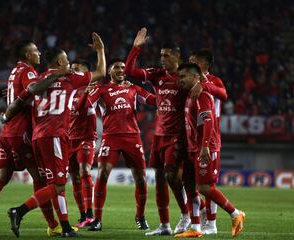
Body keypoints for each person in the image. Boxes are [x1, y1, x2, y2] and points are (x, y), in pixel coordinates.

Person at [6, 32, 106, 237]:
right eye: (67, 60)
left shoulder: (38, 79)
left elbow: (20, 99)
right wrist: (101, 50)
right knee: (59, 184)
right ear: (61, 61)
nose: (69, 63)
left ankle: (65, 227)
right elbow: (101, 72)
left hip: (37, 137)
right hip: (56, 135)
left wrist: (6, 117)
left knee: (54, 184)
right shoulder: (70, 77)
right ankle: (19, 210)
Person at [0, 41, 58, 237]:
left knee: (1, 176)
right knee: (40, 178)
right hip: (21, 132)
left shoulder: (14, 72)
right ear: (27, 55)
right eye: (35, 51)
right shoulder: (28, 71)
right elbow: (35, 89)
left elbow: (22, 93)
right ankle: (53, 226)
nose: (39, 53)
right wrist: (56, 77)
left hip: (7, 132)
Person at [124, 27, 191, 235]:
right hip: (159, 135)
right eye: (161, 55)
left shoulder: (186, 77)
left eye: (167, 55)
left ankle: (186, 214)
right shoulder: (157, 75)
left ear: (177, 57)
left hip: (177, 136)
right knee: (160, 178)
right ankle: (164, 225)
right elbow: (130, 72)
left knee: (172, 176)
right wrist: (136, 49)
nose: (162, 59)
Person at [80, 59, 156, 231]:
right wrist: (87, 91)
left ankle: (140, 216)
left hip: (132, 137)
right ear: (109, 71)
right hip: (110, 137)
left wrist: (167, 93)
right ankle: (97, 220)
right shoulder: (101, 89)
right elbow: (85, 106)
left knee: (141, 180)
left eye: (123, 67)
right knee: (102, 175)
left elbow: (152, 100)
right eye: (117, 67)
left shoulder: (133, 88)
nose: (121, 70)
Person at [175, 63, 245, 238]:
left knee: (205, 187)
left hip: (205, 148)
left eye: (183, 76)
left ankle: (236, 214)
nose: (180, 80)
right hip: (192, 148)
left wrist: (205, 145)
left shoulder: (203, 95)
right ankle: (196, 228)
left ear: (195, 77)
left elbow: (208, 121)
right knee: (189, 185)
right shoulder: (190, 95)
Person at [189, 49, 227, 235]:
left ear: (203, 64)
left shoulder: (215, 81)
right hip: (190, 139)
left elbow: (224, 95)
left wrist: (204, 85)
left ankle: (211, 223)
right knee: (187, 181)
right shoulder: (187, 80)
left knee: (207, 185)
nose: (189, 61)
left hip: (210, 139)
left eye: (193, 60)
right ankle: (201, 213)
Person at [68, 59, 96, 227]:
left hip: (85, 138)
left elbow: (79, 108)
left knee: (84, 172)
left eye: (77, 69)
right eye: (72, 69)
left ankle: (90, 215)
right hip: (69, 139)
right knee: (74, 178)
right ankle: (82, 215)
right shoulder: (69, 90)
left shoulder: (94, 89)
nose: (73, 72)